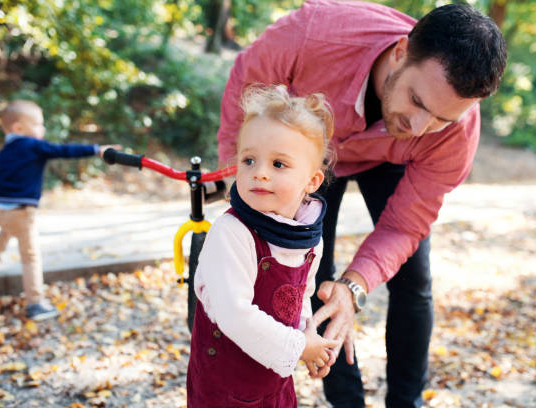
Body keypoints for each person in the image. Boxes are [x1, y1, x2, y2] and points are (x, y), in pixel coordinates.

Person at [215, 1, 507, 407]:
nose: (421, 128)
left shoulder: (452, 135)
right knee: (315, 274)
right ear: (401, 52)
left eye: (442, 119)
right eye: (418, 102)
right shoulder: (316, 31)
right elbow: (248, 84)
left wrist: (356, 287)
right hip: (311, 153)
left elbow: (403, 227)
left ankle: (408, 402)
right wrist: (239, 171)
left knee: (412, 279)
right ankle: (346, 401)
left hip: (391, 160)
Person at [187, 86, 340, 407]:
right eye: (249, 160)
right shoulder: (232, 232)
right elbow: (233, 314)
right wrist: (300, 347)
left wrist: (309, 335)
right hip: (224, 387)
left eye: (278, 165)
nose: (259, 174)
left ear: (311, 181)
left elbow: (300, 296)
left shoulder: (307, 235)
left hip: (272, 382)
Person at [0, 100, 120, 321]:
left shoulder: (5, 151)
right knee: (30, 257)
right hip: (21, 211)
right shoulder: (32, 145)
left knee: (8, 228)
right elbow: (63, 150)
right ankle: (35, 304)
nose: (42, 129)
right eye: (38, 124)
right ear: (19, 128)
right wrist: (97, 150)